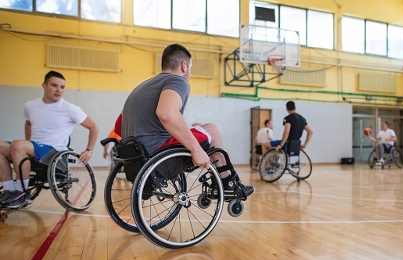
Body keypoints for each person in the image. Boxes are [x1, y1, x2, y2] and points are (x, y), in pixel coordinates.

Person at [121, 43, 254, 197]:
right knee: (211, 129)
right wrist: (196, 150)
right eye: (191, 67)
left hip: (135, 159)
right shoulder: (178, 81)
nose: (190, 72)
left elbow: (119, 125)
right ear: (184, 66)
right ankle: (227, 183)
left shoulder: (143, 87)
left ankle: (221, 177)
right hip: (157, 159)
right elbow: (166, 113)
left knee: (198, 126)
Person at [0, 71, 99, 209]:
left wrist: (89, 150)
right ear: (44, 85)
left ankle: (22, 193)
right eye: (54, 85)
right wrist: (25, 145)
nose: (59, 90)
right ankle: (10, 191)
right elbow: (28, 123)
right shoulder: (30, 106)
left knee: (18, 145)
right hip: (35, 146)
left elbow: (93, 126)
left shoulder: (70, 109)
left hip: (53, 150)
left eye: (62, 87)